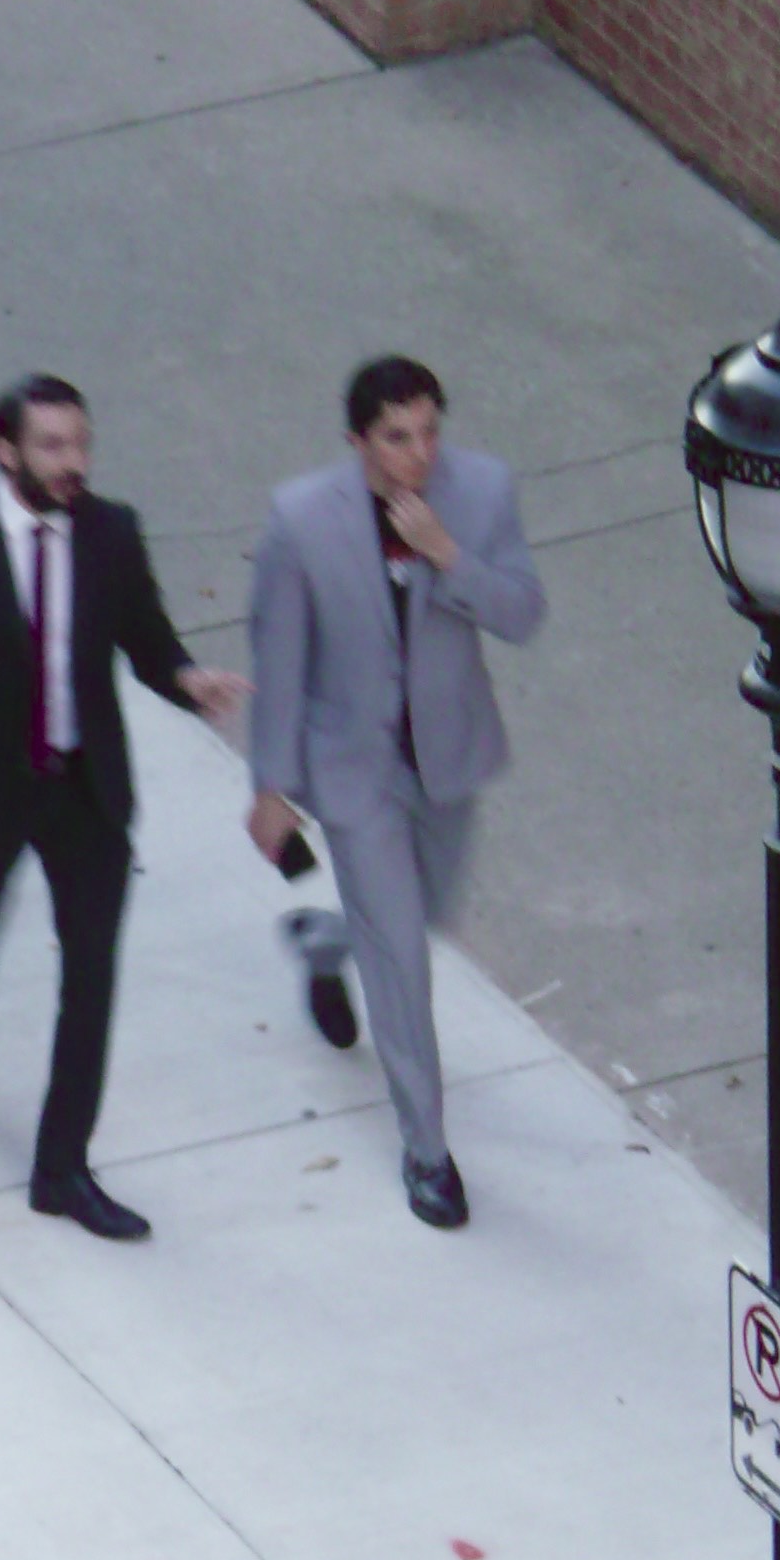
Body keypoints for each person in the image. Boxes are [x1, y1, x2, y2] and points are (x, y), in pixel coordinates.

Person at [0, 375, 247, 1240]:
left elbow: (145, 640)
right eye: (52, 446)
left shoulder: (111, 533)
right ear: (6, 452)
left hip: (85, 792)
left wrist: (187, 680)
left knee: (91, 979)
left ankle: (61, 1170)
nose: (73, 462)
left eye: (80, 443)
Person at [245, 356, 545, 1228]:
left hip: (448, 758)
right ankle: (427, 1153)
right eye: (397, 437)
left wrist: (449, 557)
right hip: (353, 772)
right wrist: (272, 786)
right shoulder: (303, 521)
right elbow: (281, 657)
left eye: (429, 432)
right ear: (358, 441)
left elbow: (523, 613)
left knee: (423, 918)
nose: (419, 454)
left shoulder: (482, 493)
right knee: (403, 966)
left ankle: (323, 942)